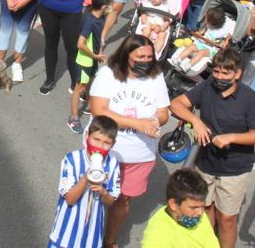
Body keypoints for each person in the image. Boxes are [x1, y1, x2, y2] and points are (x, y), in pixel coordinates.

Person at [169, 49, 255, 248]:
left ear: (237, 74)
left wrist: (231, 137)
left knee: (227, 219)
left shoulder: (249, 99)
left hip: (235, 169)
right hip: (206, 163)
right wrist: (195, 120)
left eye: (225, 74)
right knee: (204, 210)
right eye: (217, 72)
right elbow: (176, 104)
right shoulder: (207, 87)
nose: (219, 78)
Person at [89, 35, 171, 248]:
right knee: (94, 197)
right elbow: (99, 111)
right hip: (105, 151)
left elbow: (164, 112)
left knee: (123, 200)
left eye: (149, 57)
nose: (146, 61)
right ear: (126, 56)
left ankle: (110, 240)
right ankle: (88, 237)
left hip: (140, 155)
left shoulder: (156, 76)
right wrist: (137, 123)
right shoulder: (108, 74)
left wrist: (154, 121)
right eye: (140, 56)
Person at [47, 115, 121, 248]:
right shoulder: (71, 160)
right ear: (87, 136)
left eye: (106, 143)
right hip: (65, 234)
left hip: (91, 235)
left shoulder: (113, 164)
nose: (100, 146)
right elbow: (69, 199)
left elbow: (111, 201)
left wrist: (103, 192)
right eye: (96, 139)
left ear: (113, 144)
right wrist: (85, 179)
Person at [140, 168, 220, 248]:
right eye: (193, 207)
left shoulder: (197, 216)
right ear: (173, 204)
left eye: (202, 206)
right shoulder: (157, 234)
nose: (200, 212)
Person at [68, 0, 110, 133]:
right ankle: (73, 118)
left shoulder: (101, 18)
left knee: (90, 84)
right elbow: (81, 43)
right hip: (85, 60)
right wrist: (95, 55)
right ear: (104, 6)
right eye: (108, 6)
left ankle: (90, 107)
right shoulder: (90, 21)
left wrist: (100, 52)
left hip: (93, 59)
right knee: (79, 88)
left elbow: (99, 38)